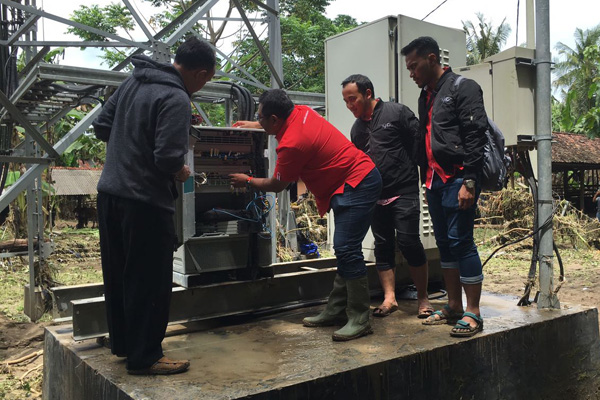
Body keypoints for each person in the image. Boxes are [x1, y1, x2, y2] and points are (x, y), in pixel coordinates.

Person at [92, 36, 216, 374]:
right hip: (145, 202)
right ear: (199, 72)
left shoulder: (134, 81)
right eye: (205, 80)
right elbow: (166, 158)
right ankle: (146, 357)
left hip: (110, 195)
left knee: (119, 275)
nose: (202, 86)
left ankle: (126, 346)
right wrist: (182, 170)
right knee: (149, 280)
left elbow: (101, 126)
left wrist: (129, 145)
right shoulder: (176, 97)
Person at [230, 89, 382, 341]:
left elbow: (277, 185)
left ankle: (360, 318)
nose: (259, 120)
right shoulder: (301, 111)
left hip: (358, 182)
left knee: (346, 247)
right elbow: (278, 119)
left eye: (261, 117)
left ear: (275, 120)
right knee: (345, 247)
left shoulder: (291, 144)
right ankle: (336, 311)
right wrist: (255, 124)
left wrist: (247, 181)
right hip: (350, 180)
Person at [400, 36, 488, 337]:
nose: (411, 73)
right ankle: (453, 305)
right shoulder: (426, 96)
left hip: (458, 178)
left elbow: (476, 136)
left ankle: (474, 312)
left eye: (414, 66)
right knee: (445, 243)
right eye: (408, 68)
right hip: (434, 181)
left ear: (432, 59)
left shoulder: (463, 88)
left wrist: (470, 181)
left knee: (461, 240)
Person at [341, 74, 433, 319]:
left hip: (404, 190)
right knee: (382, 245)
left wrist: (421, 178)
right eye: (346, 101)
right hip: (374, 196)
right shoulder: (357, 128)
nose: (350, 105)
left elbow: (418, 144)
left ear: (368, 93)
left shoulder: (396, 113)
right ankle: (389, 299)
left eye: (353, 99)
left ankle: (423, 299)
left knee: (409, 242)